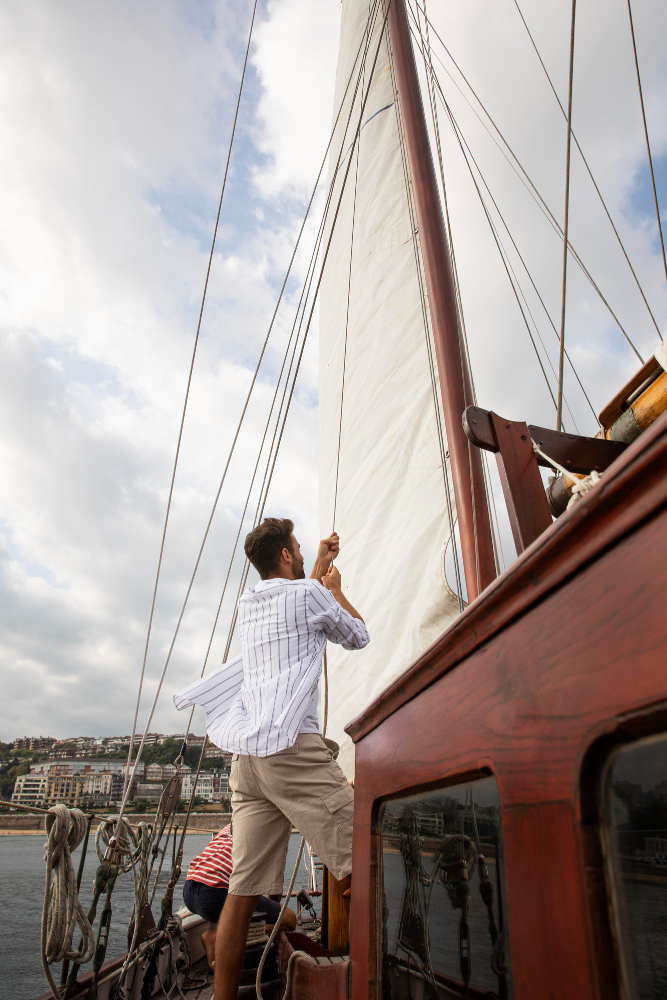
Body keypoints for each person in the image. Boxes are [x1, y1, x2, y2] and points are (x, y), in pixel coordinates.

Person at [173, 518, 369, 1000]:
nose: (301, 555)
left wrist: (317, 566)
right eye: (297, 549)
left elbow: (299, 601)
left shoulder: (251, 603)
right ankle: (371, 983)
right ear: (284, 554)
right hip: (291, 750)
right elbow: (358, 635)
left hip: (247, 761)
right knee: (363, 860)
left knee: (241, 890)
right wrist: (335, 588)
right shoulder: (312, 596)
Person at [182, 823, 296, 972]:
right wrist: (271, 923)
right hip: (214, 893)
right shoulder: (272, 832)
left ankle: (220, 938)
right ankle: (216, 938)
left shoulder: (234, 824)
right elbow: (274, 887)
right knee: (289, 920)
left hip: (190, 890)